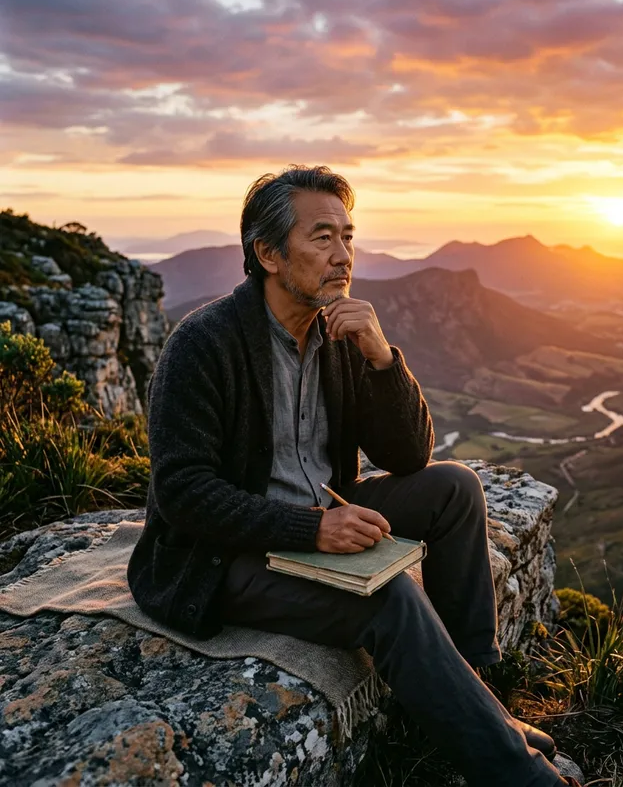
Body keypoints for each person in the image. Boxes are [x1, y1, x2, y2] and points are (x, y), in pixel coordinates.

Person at [127, 165, 580, 787]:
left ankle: (478, 694)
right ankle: (517, 775)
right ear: (267, 254)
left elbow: (410, 455)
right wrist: (311, 528)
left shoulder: (338, 332)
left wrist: (382, 356)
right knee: (389, 595)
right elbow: (182, 494)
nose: (343, 255)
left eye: (348, 235)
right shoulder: (204, 344)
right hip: (227, 552)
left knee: (455, 489)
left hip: (319, 514)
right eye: (322, 237)